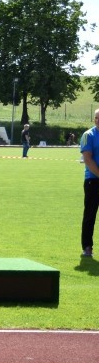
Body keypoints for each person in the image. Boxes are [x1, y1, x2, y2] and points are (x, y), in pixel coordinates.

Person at [79, 109, 99, 257]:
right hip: (93, 181)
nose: (98, 120)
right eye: (96, 118)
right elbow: (88, 159)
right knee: (90, 215)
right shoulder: (88, 135)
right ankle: (87, 247)